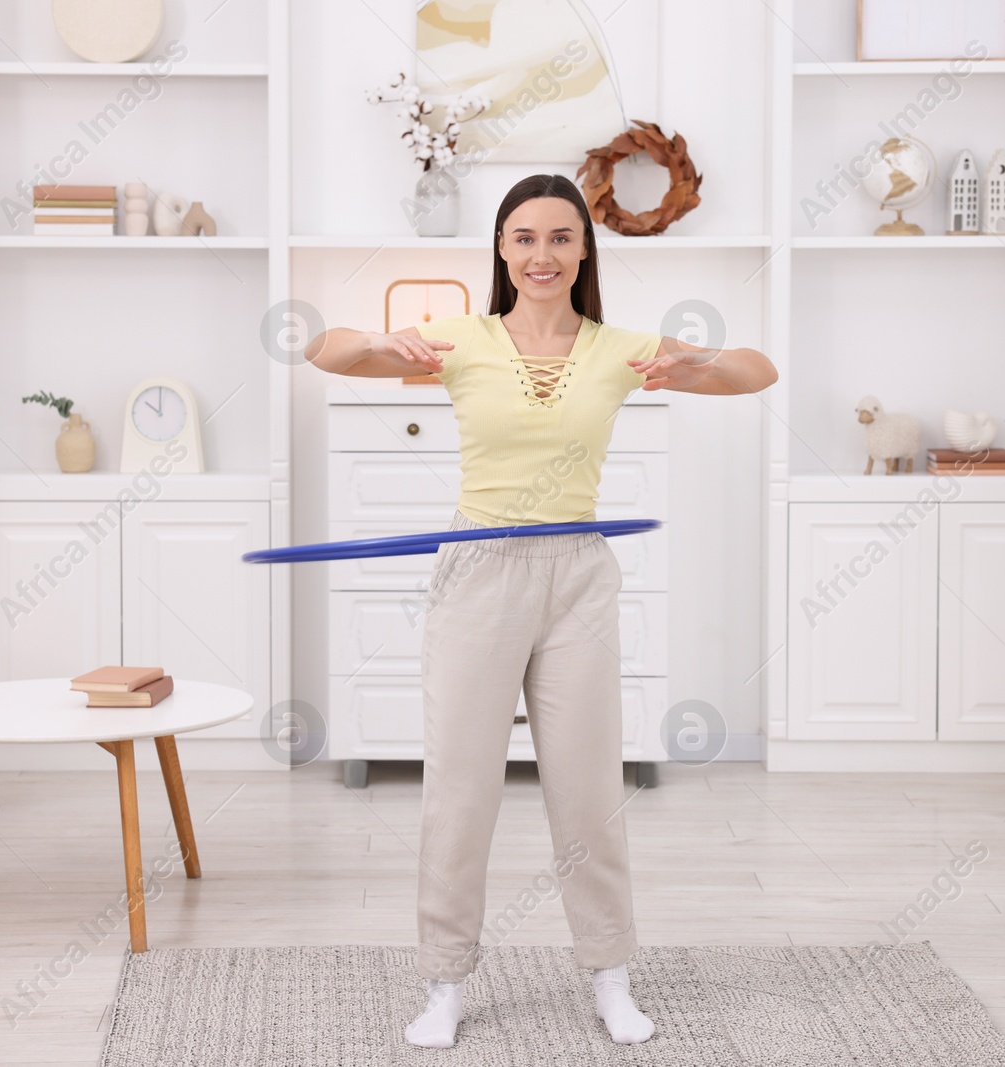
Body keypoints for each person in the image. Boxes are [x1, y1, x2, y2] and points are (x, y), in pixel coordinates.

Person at [305, 174, 777, 1048]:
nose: (541, 255)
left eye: (560, 238)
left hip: (577, 576)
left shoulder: (618, 348)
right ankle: (444, 980)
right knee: (461, 786)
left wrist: (696, 364)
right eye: (523, 238)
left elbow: (759, 371)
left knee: (589, 787)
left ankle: (609, 972)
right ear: (500, 250)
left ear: (585, 251)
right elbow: (325, 351)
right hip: (480, 568)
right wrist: (380, 340)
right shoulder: (459, 339)